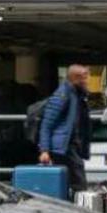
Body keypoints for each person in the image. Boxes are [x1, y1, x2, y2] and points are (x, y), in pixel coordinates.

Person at [37, 65, 93, 196]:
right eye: (85, 78)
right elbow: (47, 124)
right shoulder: (62, 95)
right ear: (76, 79)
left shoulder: (77, 94)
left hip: (71, 145)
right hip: (62, 147)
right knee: (79, 182)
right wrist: (44, 150)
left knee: (74, 181)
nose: (87, 81)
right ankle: (79, 210)